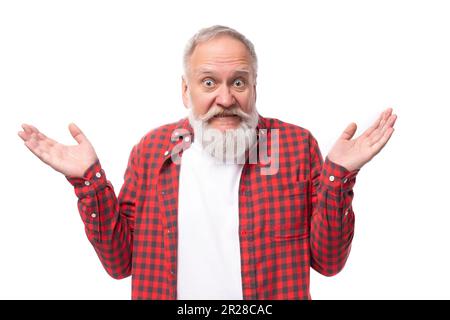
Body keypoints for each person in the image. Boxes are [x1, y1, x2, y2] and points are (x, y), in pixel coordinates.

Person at [18, 25, 397, 300]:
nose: (226, 98)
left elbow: (329, 263)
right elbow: (120, 264)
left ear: (254, 87)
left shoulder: (296, 147)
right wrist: (89, 181)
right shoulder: (151, 151)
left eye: (238, 82)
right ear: (186, 89)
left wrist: (339, 178)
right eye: (209, 82)